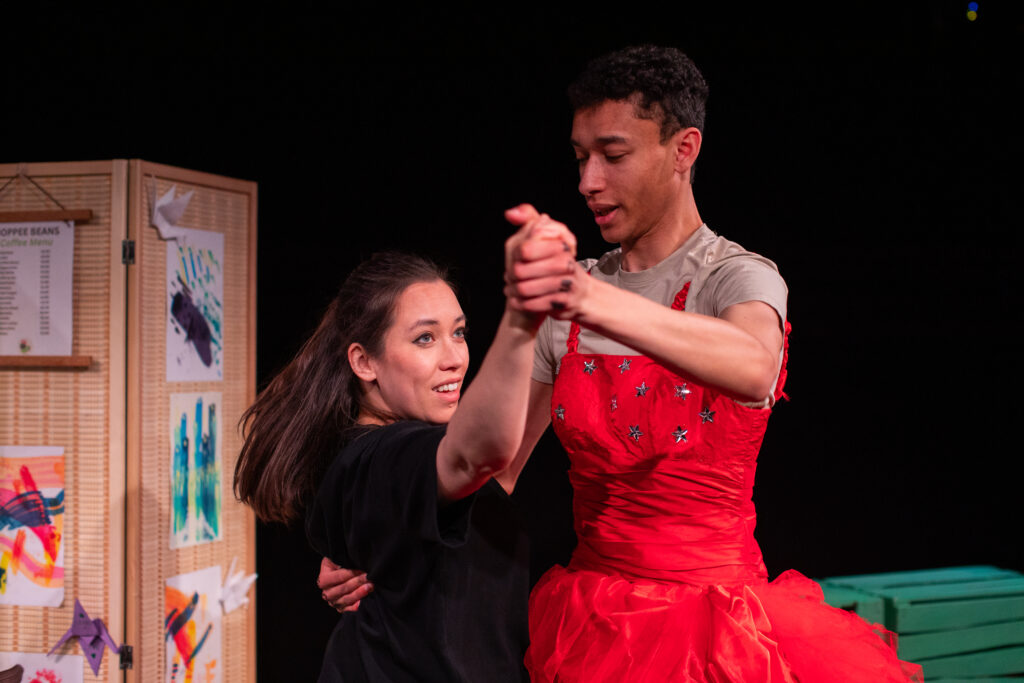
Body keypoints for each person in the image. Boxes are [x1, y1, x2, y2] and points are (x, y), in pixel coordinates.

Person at [323, 45, 923, 681]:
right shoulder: (567, 296)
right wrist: (383, 543)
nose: (588, 182)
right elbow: (491, 468)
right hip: (593, 625)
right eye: (580, 157)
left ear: (683, 150)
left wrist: (587, 299)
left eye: (612, 155)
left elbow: (754, 366)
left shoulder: (736, 277)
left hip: (719, 629)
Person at [234, 237, 574, 681]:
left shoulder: (380, 454)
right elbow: (477, 458)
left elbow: (496, 471)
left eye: (458, 333)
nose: (455, 359)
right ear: (364, 362)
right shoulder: (384, 456)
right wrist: (521, 320)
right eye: (425, 338)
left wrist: (551, 335)